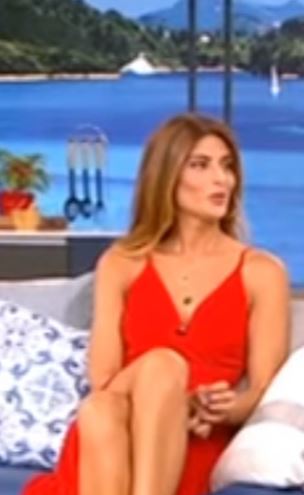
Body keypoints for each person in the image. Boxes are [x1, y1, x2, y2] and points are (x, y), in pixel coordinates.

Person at [23, 113, 290, 495]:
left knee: (103, 409)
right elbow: (105, 382)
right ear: (167, 175)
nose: (222, 179)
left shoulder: (261, 272)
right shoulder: (122, 263)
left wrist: (219, 408)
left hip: (193, 442)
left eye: (227, 166)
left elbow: (262, 391)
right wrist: (168, 392)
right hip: (115, 432)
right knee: (137, 384)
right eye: (201, 165)